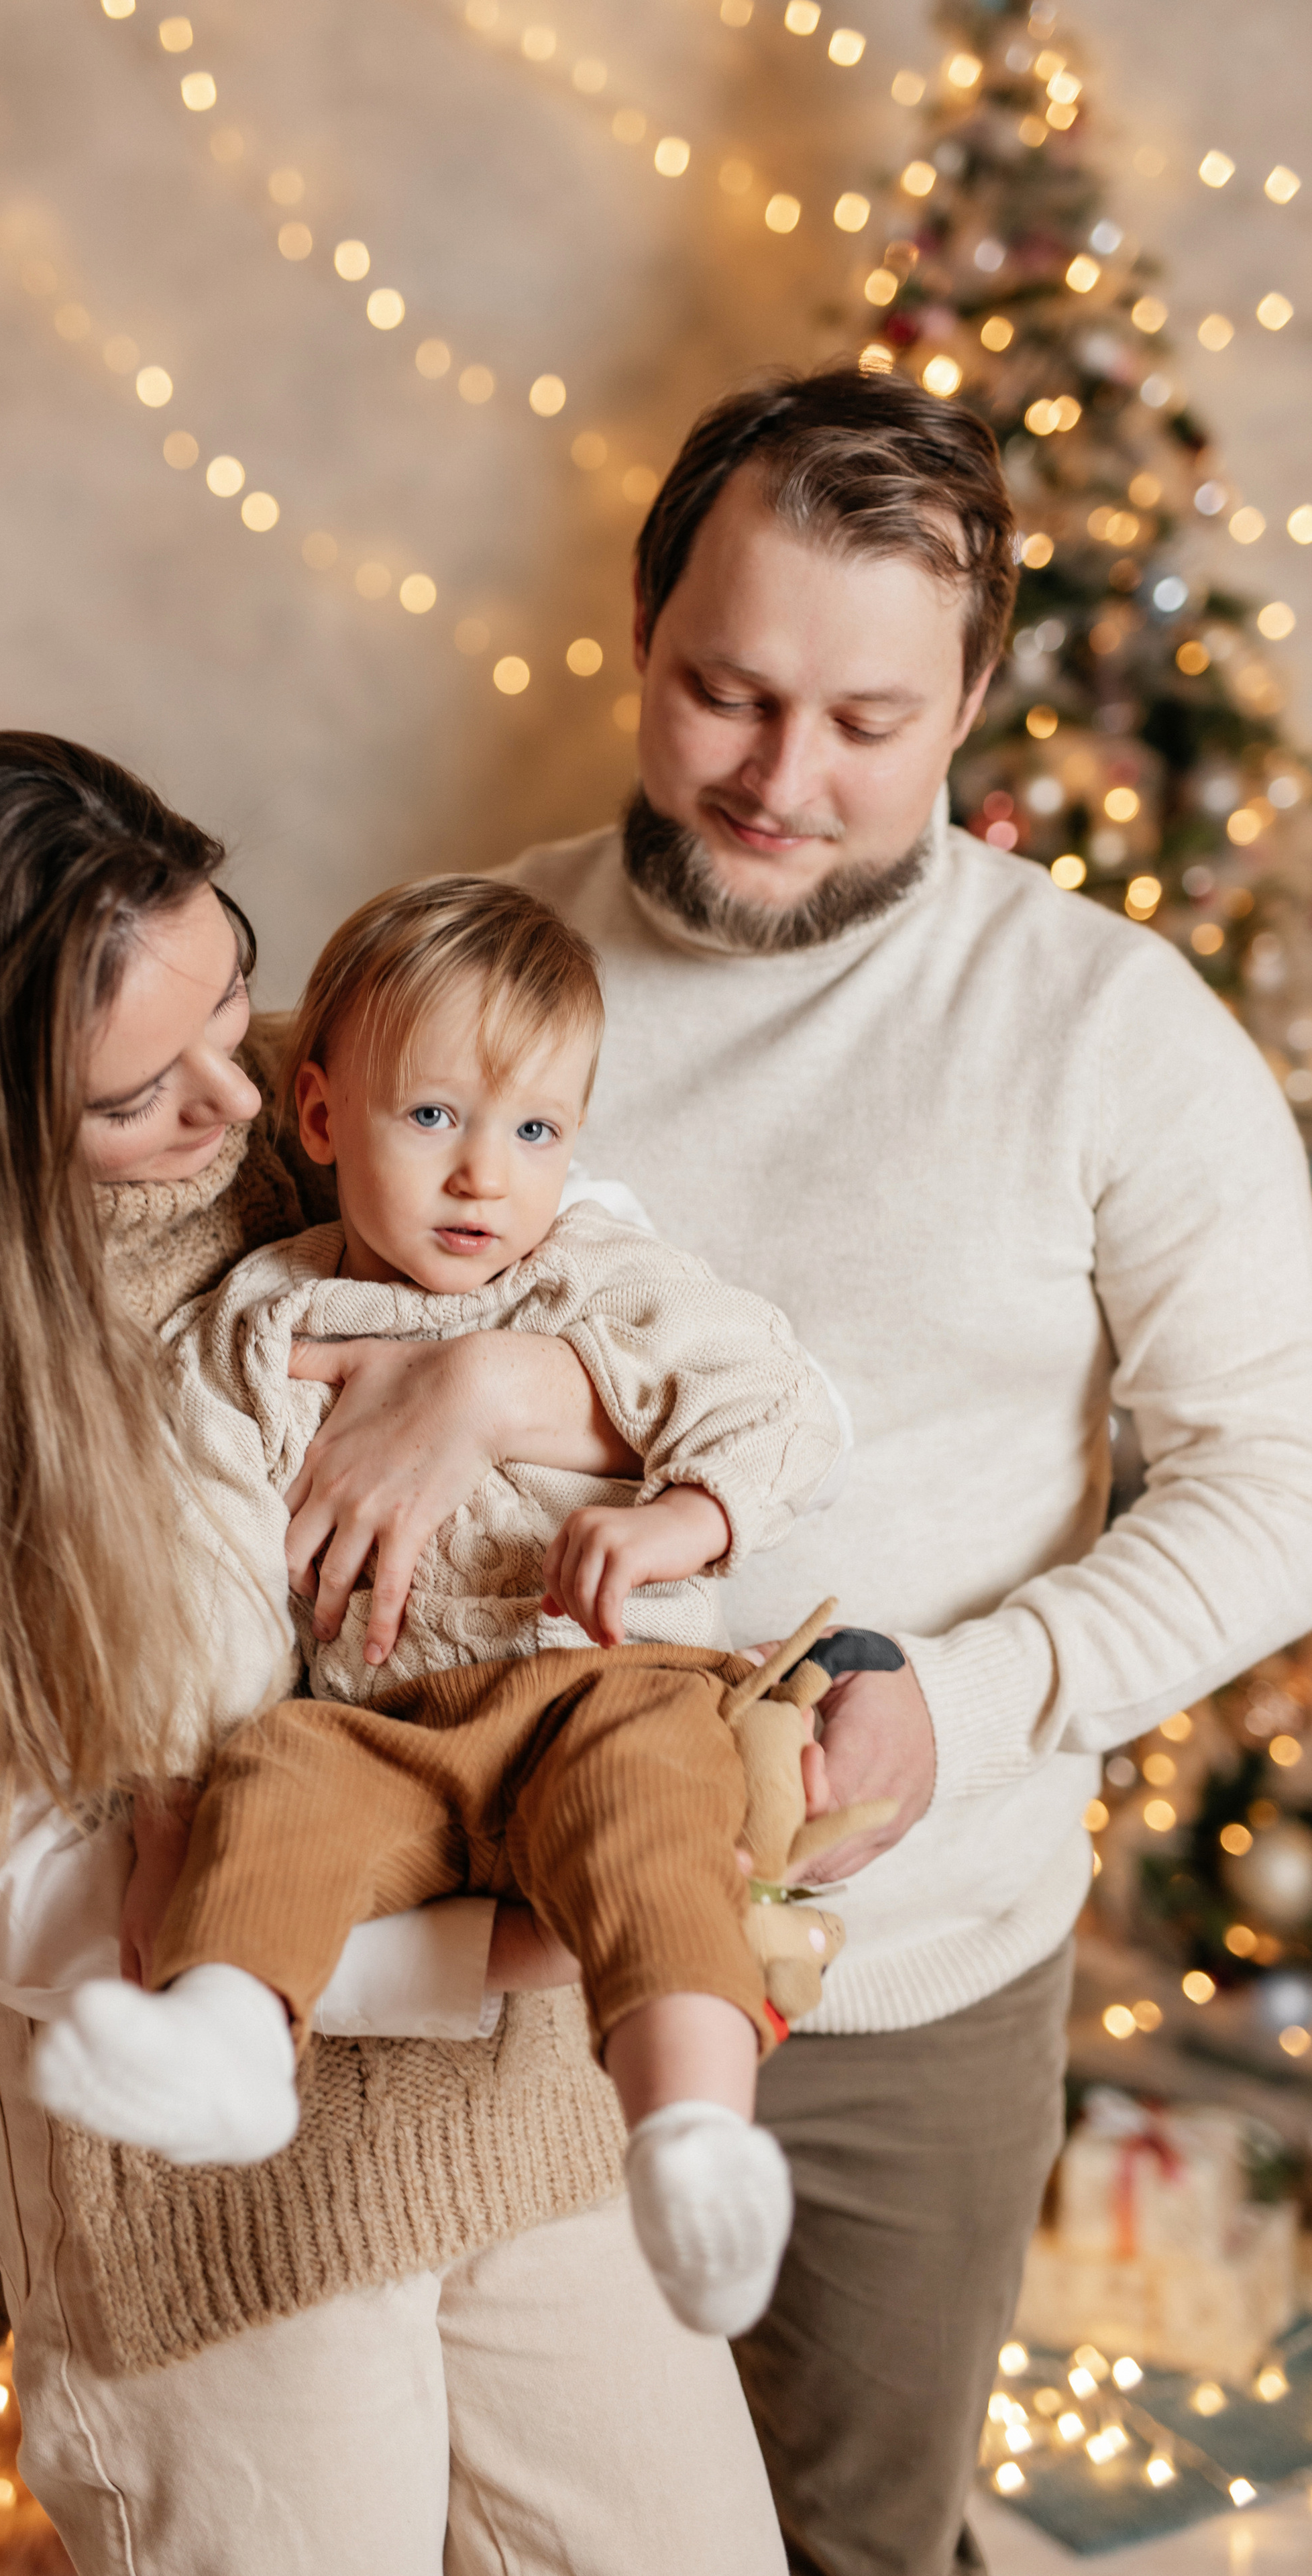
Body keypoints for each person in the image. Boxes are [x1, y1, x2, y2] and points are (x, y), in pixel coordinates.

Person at [0, 732, 789, 2576]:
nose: (236, 1104)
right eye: (138, 1094)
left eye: (237, 998)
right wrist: (514, 1941)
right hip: (215, 2223)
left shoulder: (359, 1095)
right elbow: (29, 1897)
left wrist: (488, 1390)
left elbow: (629, 1291)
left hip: (529, 2127)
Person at [488, 365, 1312, 2574]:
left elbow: (1283, 1479)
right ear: (640, 632)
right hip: (481, 1975)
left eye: (865, 724)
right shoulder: (469, 976)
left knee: (848, 2538)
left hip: (906, 1985)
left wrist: (972, 1703)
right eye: (725, 696)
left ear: (971, 698)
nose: (776, 782)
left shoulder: (1108, 1032)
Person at [31, 873, 854, 2340]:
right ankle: (227, 2039)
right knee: (272, 1776)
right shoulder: (266, 1322)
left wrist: (685, 1511)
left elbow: (780, 1401)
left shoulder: (597, 1275)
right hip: (384, 1724)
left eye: (533, 1132)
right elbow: (197, 1545)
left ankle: (693, 2138)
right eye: (433, 1121)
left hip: (594, 1685)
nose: (485, 1177)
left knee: (655, 1821)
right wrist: (179, 1773)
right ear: (321, 1119)